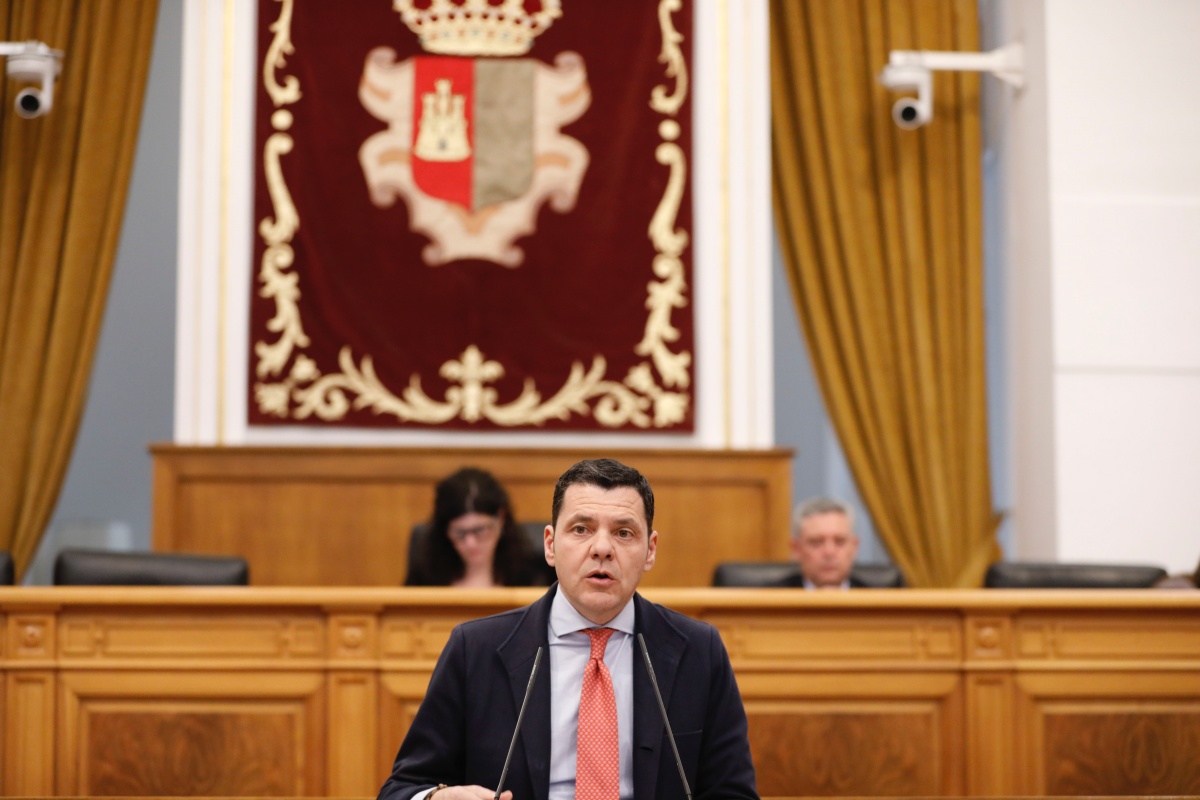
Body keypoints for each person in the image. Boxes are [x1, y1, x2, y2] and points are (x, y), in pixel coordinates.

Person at [379, 458, 759, 800]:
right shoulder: (474, 649)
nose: (602, 548)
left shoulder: (698, 650)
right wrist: (435, 798)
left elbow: (733, 792)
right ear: (550, 545)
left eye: (624, 533)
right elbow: (402, 788)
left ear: (650, 550)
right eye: (581, 529)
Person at [404, 467, 549, 588]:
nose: (470, 543)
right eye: (460, 533)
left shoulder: (530, 576)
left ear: (500, 519)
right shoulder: (425, 577)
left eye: (480, 530)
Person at [775, 496, 863, 590]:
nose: (829, 552)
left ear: (854, 547)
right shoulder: (770, 596)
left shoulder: (873, 595)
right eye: (817, 542)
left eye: (839, 541)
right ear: (796, 549)